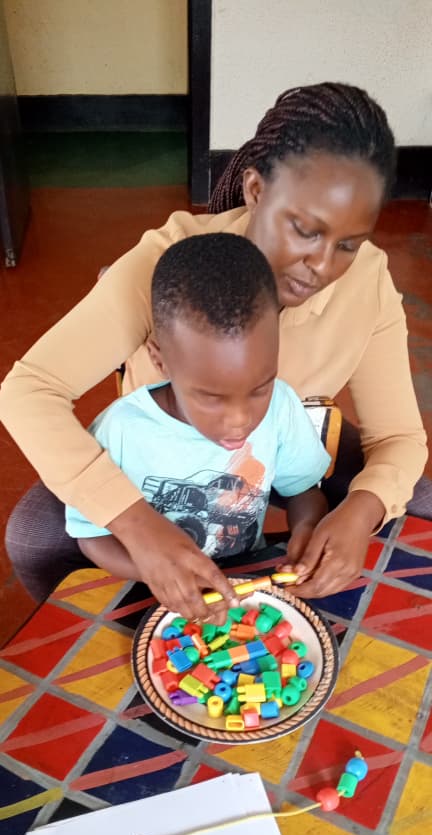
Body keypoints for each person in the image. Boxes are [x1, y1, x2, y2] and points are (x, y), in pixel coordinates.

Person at [1, 82, 427, 615]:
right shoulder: (168, 263)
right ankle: (116, 634)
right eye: (303, 229)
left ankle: (333, 639)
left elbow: (401, 438)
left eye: (347, 243)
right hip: (168, 457)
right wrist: (137, 524)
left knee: (417, 508)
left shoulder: (366, 282)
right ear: (254, 190)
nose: (321, 266)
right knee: (37, 535)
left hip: (286, 443)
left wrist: (360, 511)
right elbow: (28, 390)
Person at [65, 234, 330, 620]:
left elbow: (303, 489)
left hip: (243, 591)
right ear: (160, 360)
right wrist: (159, 574)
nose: (241, 421)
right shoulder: (121, 429)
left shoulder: (282, 405)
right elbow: (91, 535)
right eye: (211, 397)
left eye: (260, 388)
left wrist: (305, 528)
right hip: (149, 594)